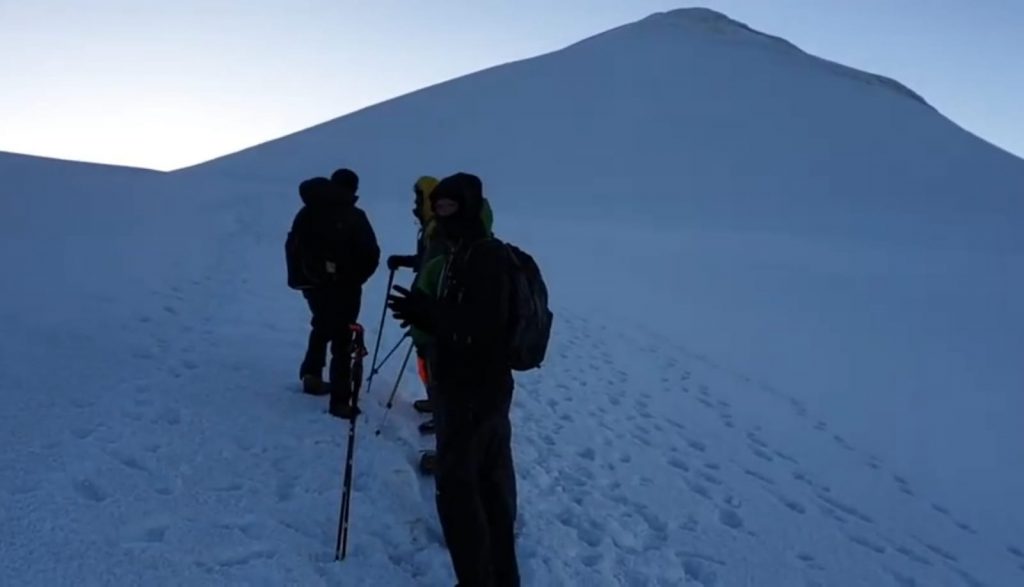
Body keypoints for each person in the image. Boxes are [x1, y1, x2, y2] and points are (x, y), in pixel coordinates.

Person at [387, 172, 520, 587]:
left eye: (451, 206)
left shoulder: (485, 256)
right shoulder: (462, 251)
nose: (443, 213)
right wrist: (428, 314)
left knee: (464, 491)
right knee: (487, 484)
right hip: (472, 386)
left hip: (473, 388)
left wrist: (429, 315)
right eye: (438, 206)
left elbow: (482, 327)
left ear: (470, 207)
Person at [285, 170, 380, 419]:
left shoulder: (308, 211)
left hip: (312, 284)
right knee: (343, 338)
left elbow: (294, 246)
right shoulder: (354, 215)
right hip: (345, 287)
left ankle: (312, 374)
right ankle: (340, 400)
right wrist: (355, 277)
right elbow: (371, 254)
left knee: (321, 324)